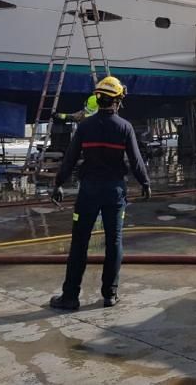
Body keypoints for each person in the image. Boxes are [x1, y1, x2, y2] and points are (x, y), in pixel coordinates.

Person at [50, 76, 151, 311]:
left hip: (89, 191)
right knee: (114, 242)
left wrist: (58, 184)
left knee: (79, 243)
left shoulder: (85, 127)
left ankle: (70, 297)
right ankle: (110, 295)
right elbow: (136, 160)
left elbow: (70, 159)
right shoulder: (124, 127)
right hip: (114, 192)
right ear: (117, 101)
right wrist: (144, 182)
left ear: (98, 98)